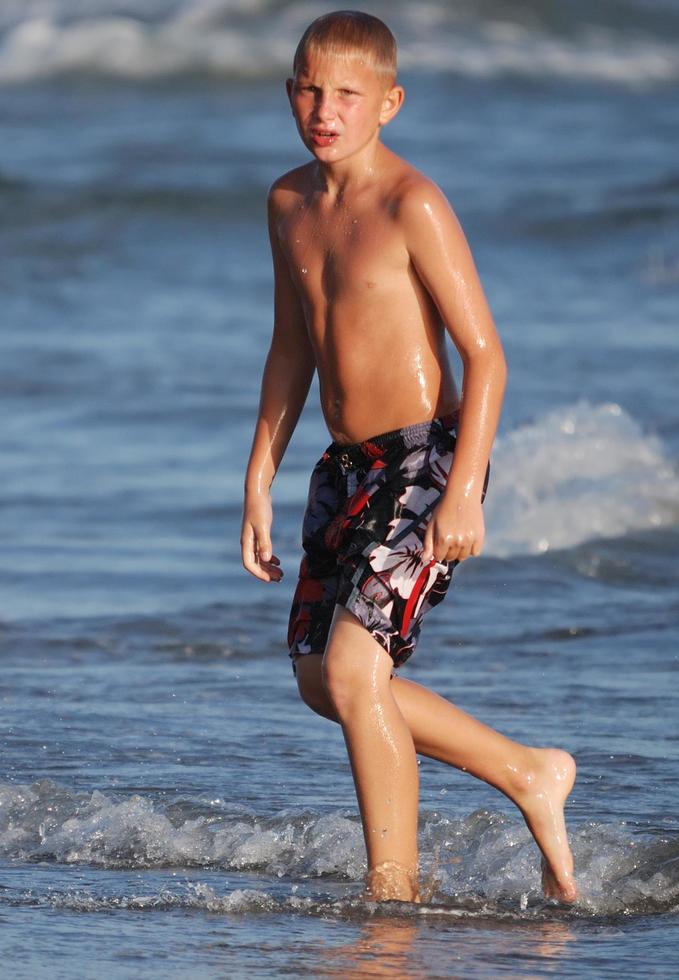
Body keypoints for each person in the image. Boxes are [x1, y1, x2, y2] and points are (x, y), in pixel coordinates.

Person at [240, 9, 580, 904]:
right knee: (325, 681)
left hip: (427, 461)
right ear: (289, 94)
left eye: (348, 94)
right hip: (345, 468)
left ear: (389, 103)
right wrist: (257, 481)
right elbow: (289, 349)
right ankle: (525, 772)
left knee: (358, 672)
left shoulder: (411, 203)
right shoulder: (287, 204)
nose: (326, 108)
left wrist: (463, 489)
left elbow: (488, 355)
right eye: (311, 89)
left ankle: (392, 900)